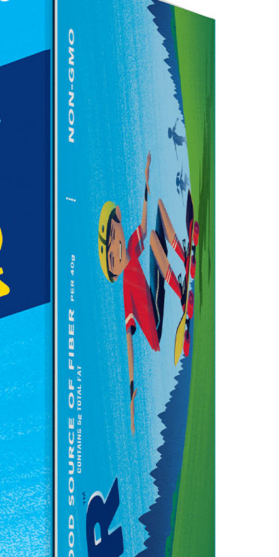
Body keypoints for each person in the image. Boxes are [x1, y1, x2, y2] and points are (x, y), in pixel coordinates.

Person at [98, 154, 197, 430]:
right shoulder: (125, 290)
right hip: (155, 323)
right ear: (113, 270)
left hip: (155, 290)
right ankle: (181, 293)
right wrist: (131, 392)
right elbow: (129, 340)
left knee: (159, 208)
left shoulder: (131, 248)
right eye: (112, 255)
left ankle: (184, 254)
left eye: (114, 235)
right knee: (153, 238)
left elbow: (142, 226)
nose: (116, 245)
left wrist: (145, 182)